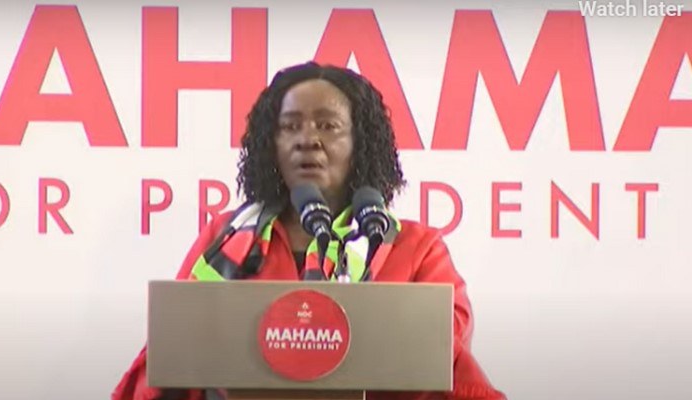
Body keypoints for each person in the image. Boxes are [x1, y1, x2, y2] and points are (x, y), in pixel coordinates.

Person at [112, 62, 506, 400]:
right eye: (290, 126)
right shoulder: (227, 238)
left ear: (360, 143)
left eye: (328, 125)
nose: (307, 140)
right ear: (272, 143)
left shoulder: (415, 247)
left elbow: (443, 353)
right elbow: (174, 344)